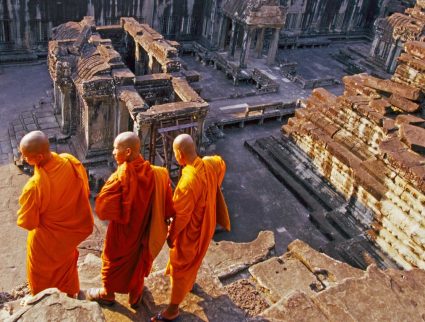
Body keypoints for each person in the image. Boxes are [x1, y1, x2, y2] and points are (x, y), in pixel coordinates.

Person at [88, 132, 174, 308]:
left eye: (115, 148)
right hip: (144, 233)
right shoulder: (159, 175)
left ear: (127, 152)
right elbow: (168, 207)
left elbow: (102, 210)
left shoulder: (119, 178)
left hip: (121, 235)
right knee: (138, 263)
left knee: (112, 263)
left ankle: (107, 294)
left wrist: (120, 209)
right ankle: (135, 296)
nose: (112, 152)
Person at [151, 133, 227, 321]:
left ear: (179, 154)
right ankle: (190, 282)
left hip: (191, 232)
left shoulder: (187, 183)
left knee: (179, 267)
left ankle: (172, 309)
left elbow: (181, 218)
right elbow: (221, 164)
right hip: (206, 224)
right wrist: (212, 189)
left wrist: (170, 237)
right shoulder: (209, 163)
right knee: (195, 258)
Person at [17, 130, 94, 297]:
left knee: (40, 273)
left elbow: (27, 223)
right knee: (67, 265)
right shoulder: (69, 160)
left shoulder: (34, 187)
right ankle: (72, 292)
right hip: (68, 234)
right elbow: (84, 192)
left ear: (38, 158)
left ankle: (45, 302)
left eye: (25, 156)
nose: (23, 159)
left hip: (46, 242)